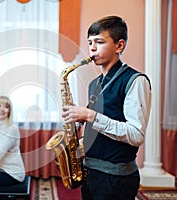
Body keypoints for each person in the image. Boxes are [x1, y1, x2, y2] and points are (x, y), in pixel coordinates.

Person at [62, 16, 151, 200]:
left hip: (116, 178)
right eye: (90, 43)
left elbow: (136, 135)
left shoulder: (136, 81)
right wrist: (80, 129)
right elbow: (100, 125)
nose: (92, 48)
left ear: (119, 46)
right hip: (91, 173)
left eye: (99, 42)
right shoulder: (95, 84)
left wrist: (90, 115)